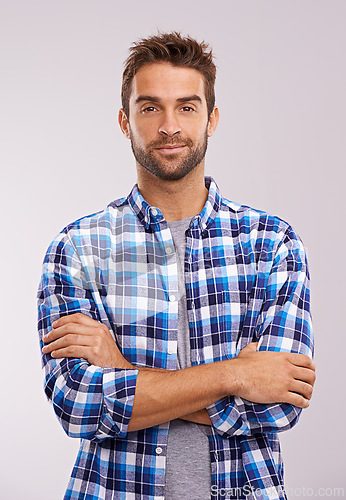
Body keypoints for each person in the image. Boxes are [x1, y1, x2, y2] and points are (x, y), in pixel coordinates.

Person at [38, 32, 315, 500]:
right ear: (125, 122)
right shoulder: (78, 248)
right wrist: (236, 375)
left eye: (187, 107)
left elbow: (278, 407)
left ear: (213, 118)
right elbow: (79, 406)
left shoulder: (272, 243)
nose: (170, 125)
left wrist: (122, 369)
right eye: (151, 108)